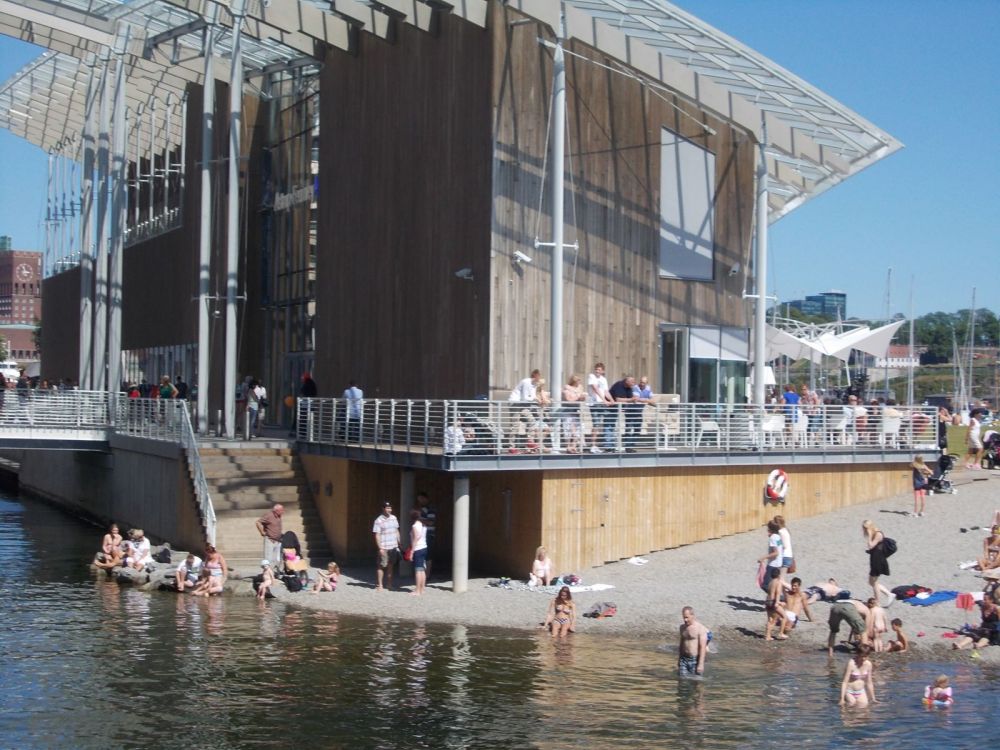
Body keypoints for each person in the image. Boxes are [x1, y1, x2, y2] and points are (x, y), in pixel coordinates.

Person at [862, 519, 894, 606]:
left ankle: (878, 602)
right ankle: (889, 594)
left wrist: (869, 536)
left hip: (878, 560)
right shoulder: (874, 533)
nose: (864, 530)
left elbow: (870, 546)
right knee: (871, 582)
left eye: (866, 528)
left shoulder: (878, 534)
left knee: (874, 582)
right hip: (875, 559)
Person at [586, 362, 614, 453]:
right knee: (596, 424)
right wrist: (604, 400)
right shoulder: (592, 376)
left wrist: (612, 400)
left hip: (601, 403)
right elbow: (595, 389)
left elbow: (606, 391)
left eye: (599, 370)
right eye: (596, 369)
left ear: (602, 371)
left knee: (608, 419)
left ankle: (606, 443)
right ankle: (593, 445)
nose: (597, 371)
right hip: (594, 403)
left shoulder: (603, 379)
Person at [373, 501, 400, 591]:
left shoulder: (394, 518)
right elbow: (377, 535)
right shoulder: (378, 520)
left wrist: (399, 542)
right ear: (383, 509)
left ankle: (389, 584)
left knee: (390, 565)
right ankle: (379, 585)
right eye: (388, 508)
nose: (389, 510)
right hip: (384, 547)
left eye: (390, 508)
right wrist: (380, 548)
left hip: (393, 546)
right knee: (381, 566)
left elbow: (396, 530)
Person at [609, 375, 639, 451]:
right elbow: (618, 399)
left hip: (623, 409)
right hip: (611, 407)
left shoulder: (629, 388)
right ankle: (609, 447)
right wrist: (631, 399)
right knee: (610, 427)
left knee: (629, 427)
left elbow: (630, 398)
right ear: (627, 381)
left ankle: (627, 447)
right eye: (632, 382)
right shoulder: (618, 385)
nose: (634, 383)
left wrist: (634, 399)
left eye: (634, 382)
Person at [678, 606, 709, 677]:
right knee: (682, 680)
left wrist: (700, 664)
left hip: (694, 660)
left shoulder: (700, 628)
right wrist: (679, 659)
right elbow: (681, 643)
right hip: (683, 659)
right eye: (684, 617)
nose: (685, 620)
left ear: (692, 616)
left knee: (695, 682)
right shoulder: (682, 627)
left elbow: (703, 647)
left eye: (687, 617)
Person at [561, 375, 586, 453]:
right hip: (568, 410)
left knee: (578, 429)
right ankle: (568, 447)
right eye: (577, 381)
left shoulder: (580, 387)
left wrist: (582, 398)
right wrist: (578, 398)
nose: (579, 382)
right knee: (569, 429)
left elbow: (581, 397)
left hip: (576, 410)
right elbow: (568, 399)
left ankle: (574, 446)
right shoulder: (567, 388)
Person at [255, 503, 284, 568]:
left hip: (277, 540)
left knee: (275, 560)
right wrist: (262, 532)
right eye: (281, 510)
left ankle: (273, 574)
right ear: (276, 510)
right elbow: (258, 522)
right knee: (268, 560)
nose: (283, 512)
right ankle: (267, 575)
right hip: (270, 540)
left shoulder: (279, 516)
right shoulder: (269, 515)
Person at [758, 520, 783, 588]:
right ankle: (776, 597)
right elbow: (781, 549)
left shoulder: (773, 538)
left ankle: (776, 597)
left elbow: (776, 552)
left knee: (765, 585)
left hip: (773, 564)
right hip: (779, 564)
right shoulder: (778, 536)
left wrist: (763, 557)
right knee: (775, 584)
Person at [416, 492, 436, 577]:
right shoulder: (422, 509)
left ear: (425, 498)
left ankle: (427, 575)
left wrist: (418, 519)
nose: (420, 501)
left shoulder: (430, 509)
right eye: (419, 499)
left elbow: (431, 522)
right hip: (422, 535)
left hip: (428, 535)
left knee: (428, 555)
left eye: (421, 499)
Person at [763, 568, 786, 641]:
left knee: (770, 620)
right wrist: (778, 602)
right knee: (784, 617)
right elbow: (778, 593)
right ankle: (781, 633)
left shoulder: (770, 583)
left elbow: (770, 593)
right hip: (773, 602)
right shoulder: (778, 582)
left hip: (767, 601)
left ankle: (767, 636)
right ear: (779, 575)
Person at [410, 509, 428, 596]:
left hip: (418, 548)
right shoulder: (423, 525)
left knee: (418, 570)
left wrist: (412, 551)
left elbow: (416, 537)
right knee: (422, 569)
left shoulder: (415, 526)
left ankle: (417, 590)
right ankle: (422, 588)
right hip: (424, 547)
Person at [773, 514, 794, 580]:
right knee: (781, 578)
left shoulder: (780, 532)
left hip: (784, 556)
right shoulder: (786, 530)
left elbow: (783, 545)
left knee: (781, 579)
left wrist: (777, 543)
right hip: (789, 556)